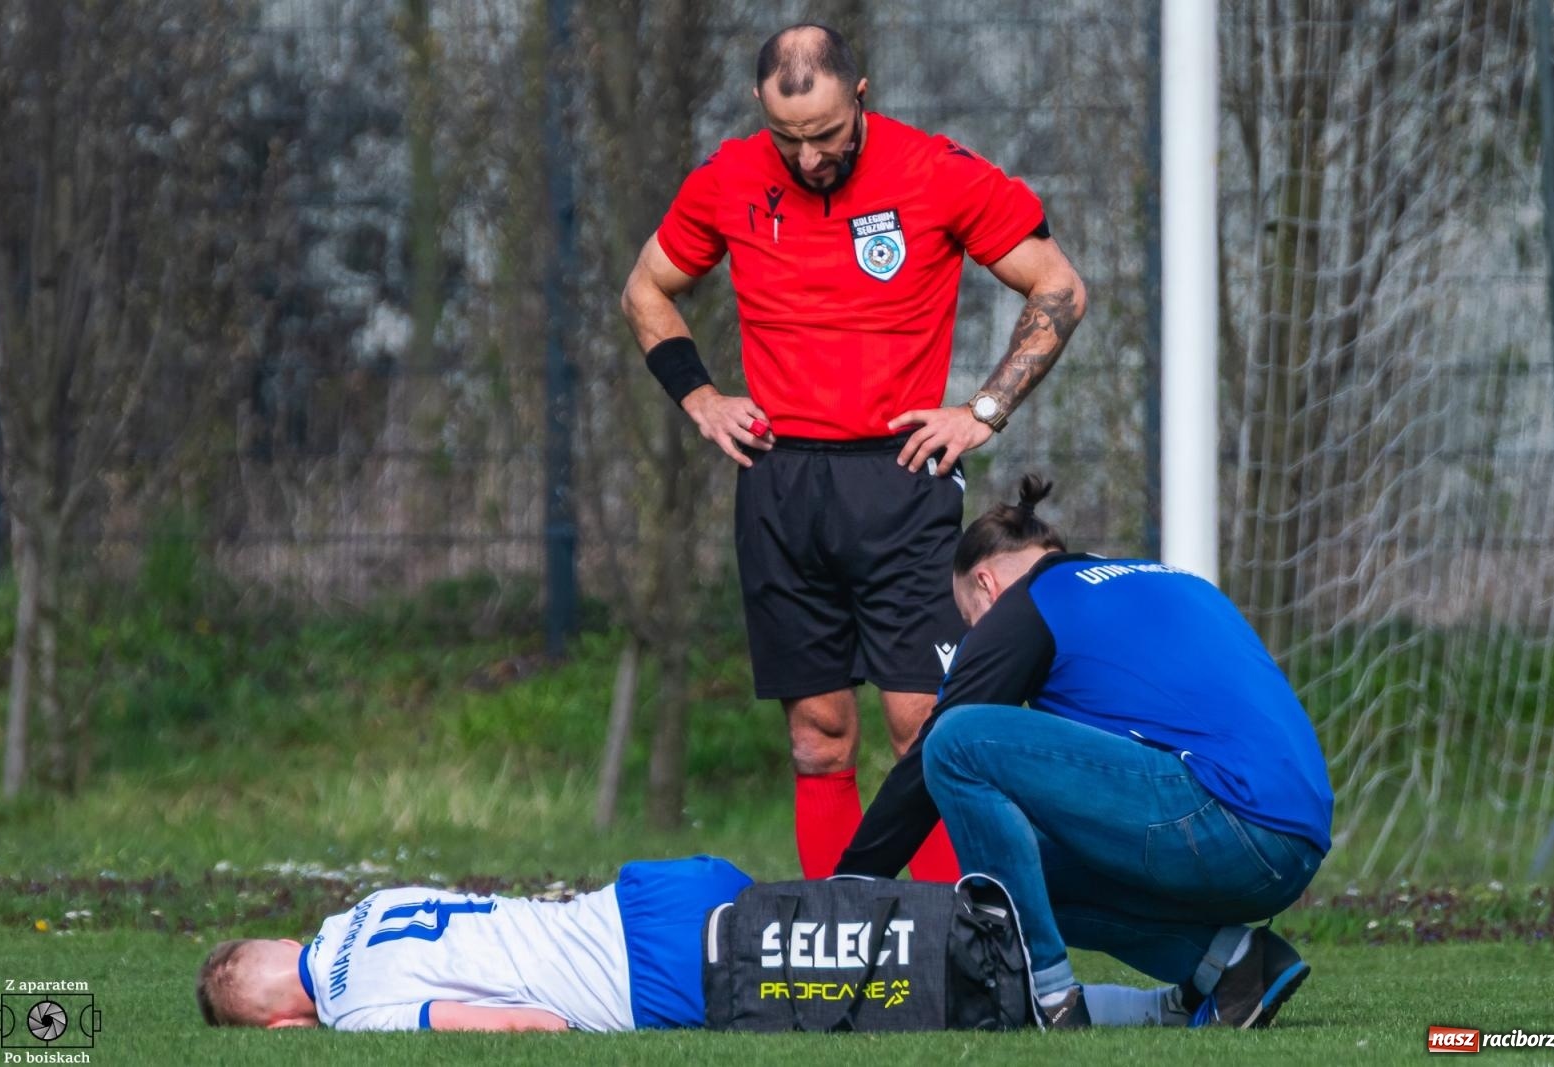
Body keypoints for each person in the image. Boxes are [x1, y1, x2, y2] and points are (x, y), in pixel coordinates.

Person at [621, 23, 1086, 883]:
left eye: (827, 136)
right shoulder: (727, 179)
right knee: (817, 734)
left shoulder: (936, 173)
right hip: (780, 485)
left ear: (861, 97)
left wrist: (984, 410)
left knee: (927, 726)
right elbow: (646, 287)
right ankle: (841, 957)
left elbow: (1059, 284)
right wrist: (702, 397)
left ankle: (957, 942)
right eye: (787, 139)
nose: (807, 160)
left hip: (903, 480)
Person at [834, 476, 1335, 1030]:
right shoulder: (1159, 576)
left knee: (957, 740)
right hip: (1296, 843)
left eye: (970, 619)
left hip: (1226, 821)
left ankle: (1047, 999)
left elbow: (936, 751)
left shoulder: (1029, 602)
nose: (977, 635)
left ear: (986, 583)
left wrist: (849, 887)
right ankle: (1234, 966)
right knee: (1020, 874)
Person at [195, 855, 751, 1031]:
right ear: (288, 940)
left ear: (284, 1025)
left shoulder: (354, 1011)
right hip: (657, 889)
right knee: (825, 910)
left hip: (651, 976)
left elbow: (520, 1024)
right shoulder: (365, 907)